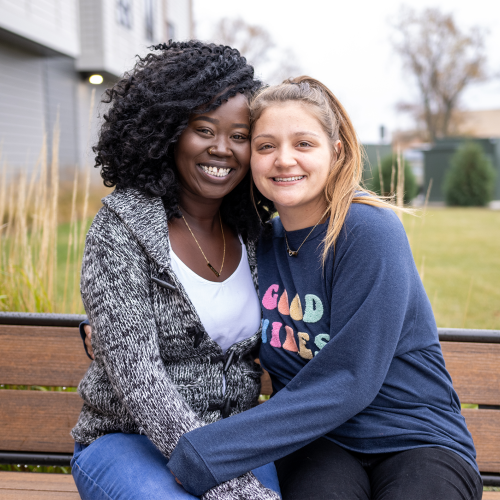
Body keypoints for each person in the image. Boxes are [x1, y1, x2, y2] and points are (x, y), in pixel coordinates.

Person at [164, 77, 483, 500]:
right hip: (319, 445)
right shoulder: (259, 244)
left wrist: (206, 452)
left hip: (415, 436)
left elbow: (351, 376)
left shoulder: (368, 231)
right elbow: (204, 306)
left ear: (334, 153)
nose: (283, 160)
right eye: (265, 146)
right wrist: (108, 326)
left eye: (303, 144)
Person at [71, 41, 281, 500]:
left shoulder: (256, 233)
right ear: (167, 132)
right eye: (203, 129)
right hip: (129, 441)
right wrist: (230, 489)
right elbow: (139, 381)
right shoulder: (123, 227)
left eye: (240, 135)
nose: (222, 149)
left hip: (234, 439)